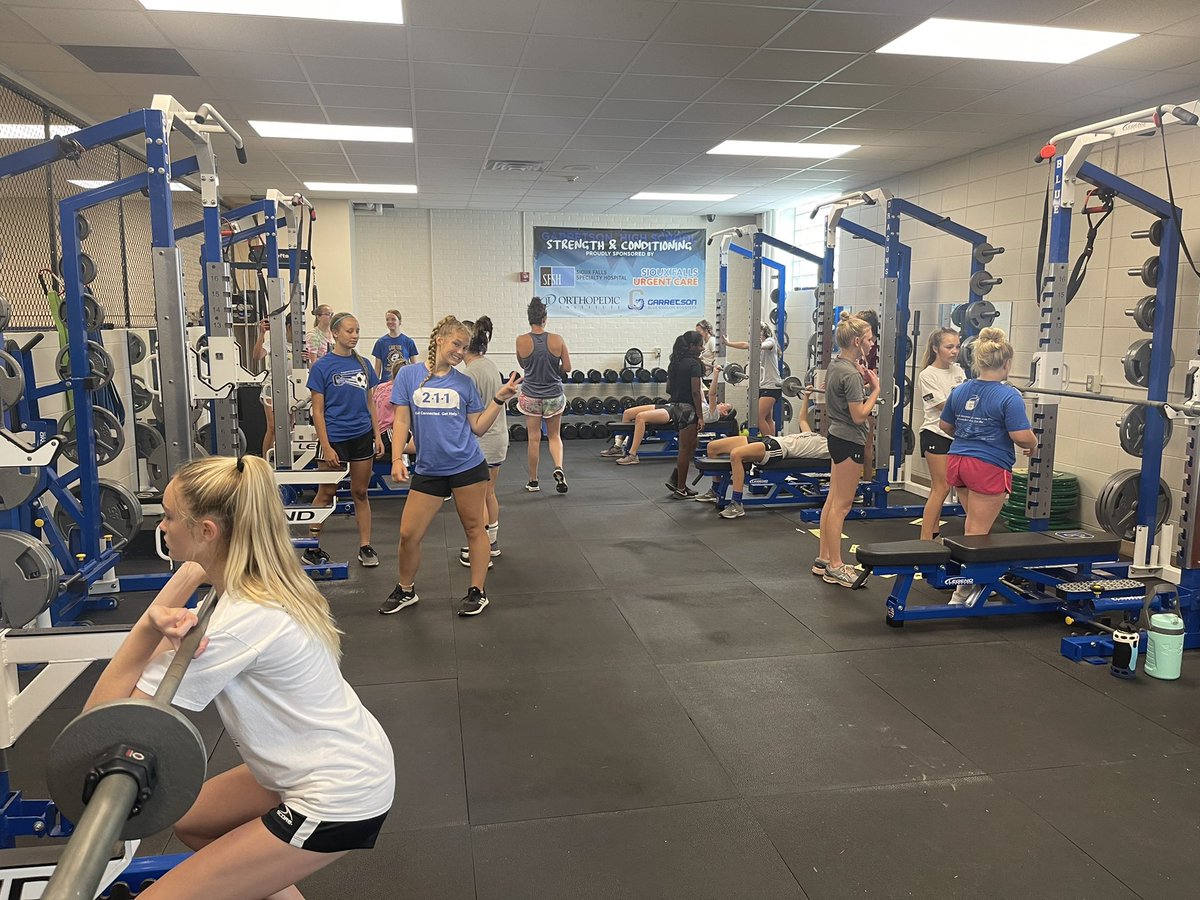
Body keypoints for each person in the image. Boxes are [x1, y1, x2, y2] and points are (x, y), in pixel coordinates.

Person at [85, 455, 394, 899]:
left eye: (170, 517)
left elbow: (103, 722)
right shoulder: (253, 581)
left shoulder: (238, 620)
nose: (163, 526)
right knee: (193, 822)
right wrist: (195, 566)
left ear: (208, 532)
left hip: (336, 798)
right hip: (337, 759)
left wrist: (149, 628)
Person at [383, 316, 522, 617]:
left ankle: (477, 591)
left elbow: (478, 428)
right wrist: (396, 458)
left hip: (466, 466)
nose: (460, 352)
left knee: (474, 528)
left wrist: (498, 399)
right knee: (408, 534)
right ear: (439, 339)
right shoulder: (409, 376)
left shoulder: (465, 382)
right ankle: (406, 590)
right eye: (456, 344)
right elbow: (402, 420)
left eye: (464, 347)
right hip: (429, 469)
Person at [939, 326, 1038, 604]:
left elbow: (945, 425)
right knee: (977, 531)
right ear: (1007, 364)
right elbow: (1020, 436)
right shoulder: (1009, 396)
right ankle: (962, 591)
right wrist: (1033, 444)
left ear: (978, 362)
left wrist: (968, 436)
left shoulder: (960, 390)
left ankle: (978, 581)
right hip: (987, 466)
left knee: (974, 524)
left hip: (958, 462)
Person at [304, 312, 383, 568]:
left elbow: (371, 403)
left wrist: (378, 434)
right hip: (334, 438)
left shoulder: (363, 364)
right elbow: (317, 410)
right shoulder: (322, 367)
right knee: (326, 494)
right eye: (349, 331)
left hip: (361, 435)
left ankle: (365, 546)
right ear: (335, 333)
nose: (355, 335)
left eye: (357, 330)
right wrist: (325, 446)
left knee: (360, 492)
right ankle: (311, 548)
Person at [817, 312, 879, 588]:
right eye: (869, 339)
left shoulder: (837, 365)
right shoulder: (850, 374)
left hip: (836, 437)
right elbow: (858, 415)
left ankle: (823, 559)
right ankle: (836, 566)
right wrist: (875, 389)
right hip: (849, 439)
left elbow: (845, 396)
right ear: (857, 341)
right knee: (841, 506)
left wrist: (863, 383)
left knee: (833, 501)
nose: (872, 343)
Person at [700, 385, 829, 518]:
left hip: (778, 449)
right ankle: (715, 491)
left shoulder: (829, 448)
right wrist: (807, 396)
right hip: (769, 439)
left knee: (736, 454)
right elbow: (802, 419)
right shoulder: (813, 435)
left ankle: (737, 504)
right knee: (712, 447)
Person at [458, 316, 508, 568]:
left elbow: (470, 416)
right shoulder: (489, 365)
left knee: (477, 498)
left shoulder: (469, 373)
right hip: (498, 438)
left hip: (482, 441)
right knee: (489, 492)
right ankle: (492, 542)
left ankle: (482, 547)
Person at [515, 296, 570, 494]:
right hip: (554, 395)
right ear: (544, 318)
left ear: (529, 318)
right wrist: (554, 367)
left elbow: (523, 365)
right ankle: (558, 467)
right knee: (554, 436)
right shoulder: (557, 339)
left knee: (534, 438)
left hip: (530, 395)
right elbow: (568, 368)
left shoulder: (521, 340)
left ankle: (533, 481)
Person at [916, 327, 965, 541]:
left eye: (957, 346)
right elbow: (945, 407)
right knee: (941, 487)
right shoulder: (927, 375)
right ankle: (925, 539)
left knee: (947, 487)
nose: (954, 351)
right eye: (949, 347)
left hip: (957, 435)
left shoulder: (959, 371)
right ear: (936, 348)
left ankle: (934, 533)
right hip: (935, 434)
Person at [722, 324, 781, 436]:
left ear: (764, 331)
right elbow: (745, 345)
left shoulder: (770, 341)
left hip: (771, 386)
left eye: (758, 331)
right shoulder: (756, 345)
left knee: (758, 417)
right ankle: (774, 443)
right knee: (767, 418)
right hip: (762, 385)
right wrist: (728, 343)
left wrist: (760, 344)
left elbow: (765, 345)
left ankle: (769, 443)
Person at [252, 315, 298, 458]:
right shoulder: (275, 342)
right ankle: (265, 462)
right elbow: (257, 356)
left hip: (292, 389)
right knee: (272, 427)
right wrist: (262, 334)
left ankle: (285, 459)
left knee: (289, 428)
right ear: (289, 327)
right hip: (271, 388)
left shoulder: (301, 346)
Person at [371, 309, 420, 377]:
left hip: (404, 380)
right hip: (386, 382)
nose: (390, 321)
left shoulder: (408, 342)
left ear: (399, 322)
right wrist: (375, 386)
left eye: (393, 319)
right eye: (387, 319)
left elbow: (414, 366)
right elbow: (377, 368)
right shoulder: (380, 342)